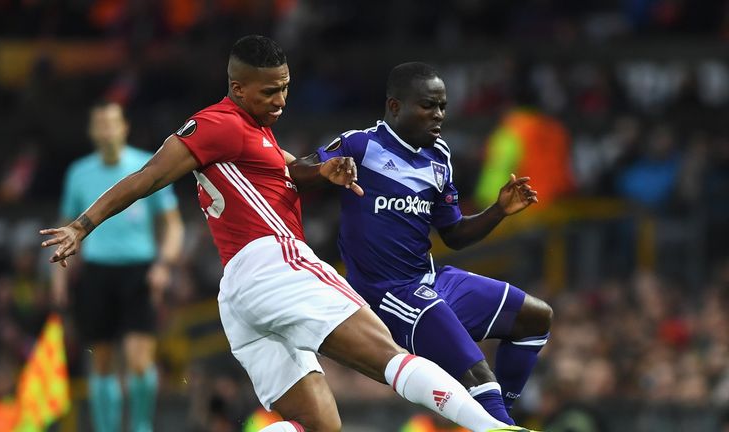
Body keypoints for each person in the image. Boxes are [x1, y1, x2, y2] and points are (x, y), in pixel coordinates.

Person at [41, 36, 534, 432]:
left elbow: (291, 171)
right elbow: (146, 177)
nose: (280, 101)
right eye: (268, 92)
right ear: (238, 88)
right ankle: (493, 428)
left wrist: (325, 175)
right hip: (274, 261)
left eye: (285, 88)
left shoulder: (255, 132)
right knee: (388, 353)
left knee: (318, 425)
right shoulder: (219, 125)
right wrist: (82, 225)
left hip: (239, 293)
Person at [313, 62, 553, 425]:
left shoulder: (438, 157)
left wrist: (499, 210)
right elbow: (297, 170)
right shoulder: (360, 145)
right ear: (395, 107)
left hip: (431, 280)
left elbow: (454, 235)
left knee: (536, 318)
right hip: (389, 292)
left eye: (442, 106)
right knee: (476, 371)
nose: (438, 115)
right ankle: (499, 423)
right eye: (428, 105)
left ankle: (499, 420)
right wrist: (320, 171)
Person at [52, 101, 184, 432]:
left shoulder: (146, 166)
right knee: (102, 361)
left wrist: (164, 265)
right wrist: (57, 278)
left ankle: (141, 427)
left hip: (139, 272)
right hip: (97, 272)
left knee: (140, 361)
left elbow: (173, 225)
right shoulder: (79, 173)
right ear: (93, 132)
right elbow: (66, 225)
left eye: (113, 123)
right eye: (101, 124)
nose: (108, 130)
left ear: (124, 127)